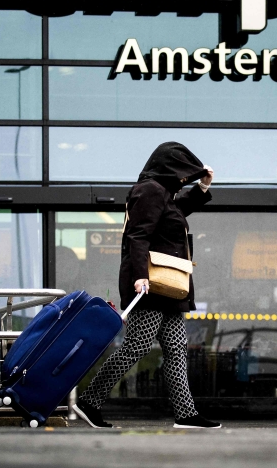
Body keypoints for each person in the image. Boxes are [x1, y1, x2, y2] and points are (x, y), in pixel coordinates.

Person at [77, 142, 221, 429]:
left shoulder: (162, 194)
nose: (183, 183)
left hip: (167, 286)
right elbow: (138, 236)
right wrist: (139, 276)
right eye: (182, 177)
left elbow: (174, 215)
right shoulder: (150, 190)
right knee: (138, 346)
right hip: (151, 284)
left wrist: (202, 188)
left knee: (176, 347)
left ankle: (186, 414)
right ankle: (89, 400)